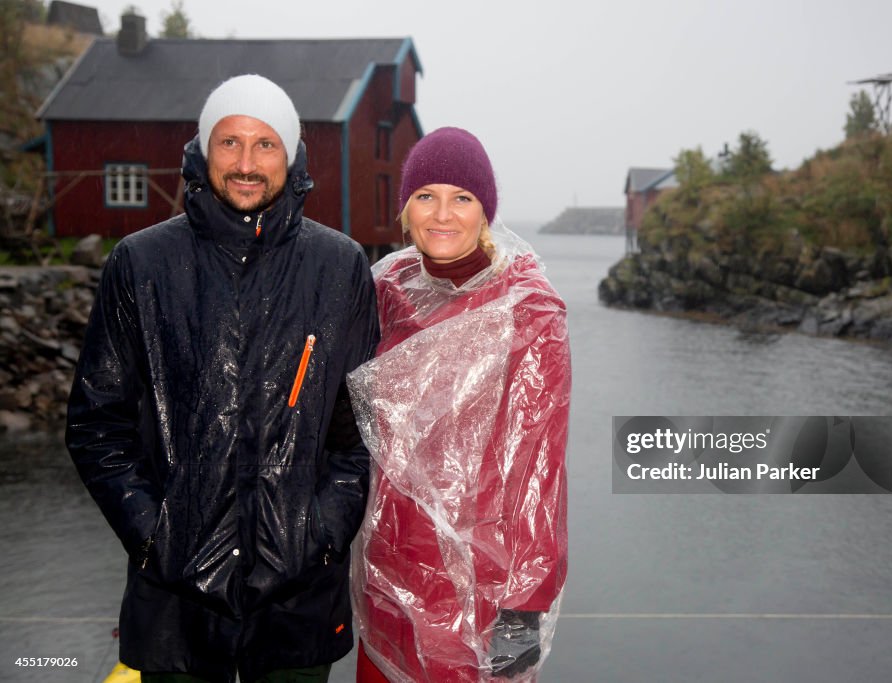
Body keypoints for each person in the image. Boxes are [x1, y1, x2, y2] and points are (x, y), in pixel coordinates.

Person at [65, 74, 378, 683]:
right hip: (175, 605)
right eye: (229, 142)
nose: (246, 163)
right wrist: (154, 535)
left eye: (265, 145)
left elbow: (362, 429)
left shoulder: (339, 267)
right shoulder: (141, 262)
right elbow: (95, 425)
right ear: (204, 151)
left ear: (290, 155)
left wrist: (320, 533)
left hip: (297, 605)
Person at [347, 127, 571, 682]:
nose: (442, 214)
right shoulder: (386, 289)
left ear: (486, 211)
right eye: (426, 196)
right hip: (386, 577)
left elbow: (538, 472)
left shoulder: (528, 310)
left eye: (462, 198)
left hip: (480, 593)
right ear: (405, 210)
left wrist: (524, 609)